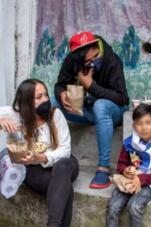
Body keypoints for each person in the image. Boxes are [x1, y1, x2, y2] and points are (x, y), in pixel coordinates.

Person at [0, 79, 80, 227]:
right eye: (39, 96)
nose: (46, 99)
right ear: (26, 101)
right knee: (65, 188)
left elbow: (65, 150)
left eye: (45, 94)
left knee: (64, 166)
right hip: (34, 171)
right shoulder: (15, 117)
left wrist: (42, 158)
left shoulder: (55, 114)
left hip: (62, 163)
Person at [91, 104, 151, 227]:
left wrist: (142, 179)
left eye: (148, 123)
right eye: (139, 123)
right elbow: (121, 165)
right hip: (128, 181)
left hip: (148, 183)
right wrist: (127, 170)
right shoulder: (129, 143)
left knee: (134, 206)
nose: (144, 127)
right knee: (114, 204)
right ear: (133, 126)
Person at [53, 31, 129, 189]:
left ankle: (103, 168)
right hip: (88, 111)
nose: (82, 64)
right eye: (79, 61)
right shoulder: (74, 58)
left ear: (95, 49)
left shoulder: (112, 61)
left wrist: (90, 86)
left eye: (86, 60)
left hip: (114, 111)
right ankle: (52, 154)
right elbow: (60, 84)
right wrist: (61, 94)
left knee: (100, 106)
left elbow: (121, 98)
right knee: (52, 102)